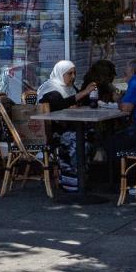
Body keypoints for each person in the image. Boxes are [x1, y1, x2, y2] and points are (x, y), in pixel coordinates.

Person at [36, 60, 98, 192]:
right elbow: (59, 104)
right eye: (69, 73)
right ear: (60, 73)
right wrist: (83, 93)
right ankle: (71, 181)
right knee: (77, 139)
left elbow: (77, 102)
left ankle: (81, 177)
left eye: (74, 73)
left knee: (93, 133)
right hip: (52, 131)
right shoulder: (51, 89)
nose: (73, 76)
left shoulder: (69, 88)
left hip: (70, 126)